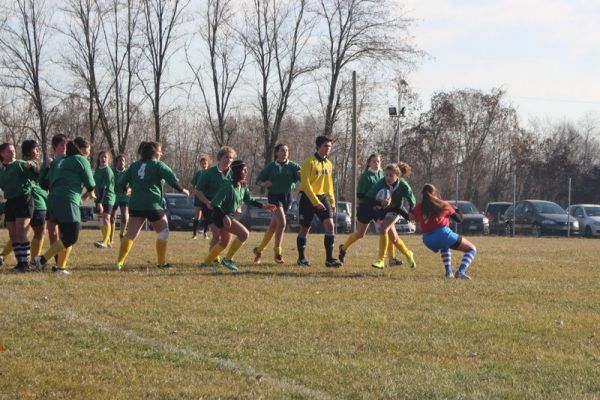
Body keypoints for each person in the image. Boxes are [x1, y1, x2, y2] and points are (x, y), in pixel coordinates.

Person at [115, 141, 189, 270]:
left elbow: (120, 184)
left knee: (130, 234)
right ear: (154, 152)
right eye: (160, 150)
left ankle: (119, 263)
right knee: (164, 231)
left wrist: (126, 190)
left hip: (136, 204)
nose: (161, 153)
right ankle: (161, 263)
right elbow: (172, 179)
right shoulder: (158, 165)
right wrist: (183, 190)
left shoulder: (134, 165)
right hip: (153, 205)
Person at [34, 137, 96, 274]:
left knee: (64, 237)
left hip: (53, 200)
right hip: (67, 200)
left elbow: (44, 184)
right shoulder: (80, 160)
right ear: (79, 149)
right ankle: (42, 259)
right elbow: (91, 184)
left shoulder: (58, 162)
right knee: (71, 236)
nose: (88, 152)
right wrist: (90, 193)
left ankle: (60, 267)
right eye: (86, 149)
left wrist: (45, 167)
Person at [201, 160, 276, 271]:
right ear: (237, 171)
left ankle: (206, 264)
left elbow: (248, 199)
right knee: (244, 234)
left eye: (246, 169)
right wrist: (224, 216)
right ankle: (228, 260)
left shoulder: (243, 185)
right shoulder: (228, 185)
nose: (246, 171)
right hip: (219, 215)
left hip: (228, 216)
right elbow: (214, 204)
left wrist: (263, 206)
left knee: (224, 242)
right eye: (244, 169)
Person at [411, 183, 477, 280]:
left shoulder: (419, 207)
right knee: (472, 249)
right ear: (435, 193)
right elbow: (459, 219)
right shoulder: (443, 204)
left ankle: (449, 272)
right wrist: (455, 208)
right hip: (442, 234)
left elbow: (412, 217)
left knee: (444, 246)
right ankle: (461, 271)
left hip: (427, 239)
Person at [296, 135, 342, 268]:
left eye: (330, 147)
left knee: (330, 226)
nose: (328, 149)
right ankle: (301, 258)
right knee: (305, 228)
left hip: (323, 198)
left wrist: (332, 202)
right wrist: (315, 202)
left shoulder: (329, 164)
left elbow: (329, 185)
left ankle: (329, 259)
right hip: (308, 198)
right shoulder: (308, 162)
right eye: (325, 146)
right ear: (318, 147)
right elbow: (306, 185)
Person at [253, 143, 301, 264]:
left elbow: (303, 176)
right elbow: (258, 180)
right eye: (282, 150)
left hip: (287, 197)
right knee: (282, 223)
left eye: (287, 150)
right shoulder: (270, 167)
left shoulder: (293, 166)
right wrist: (264, 184)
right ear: (276, 153)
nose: (285, 152)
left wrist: (300, 178)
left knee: (274, 226)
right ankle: (277, 253)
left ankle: (258, 250)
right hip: (274, 197)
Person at [371, 162, 417, 269]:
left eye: (391, 175)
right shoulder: (381, 183)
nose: (388, 177)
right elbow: (370, 197)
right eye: (386, 175)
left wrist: (411, 212)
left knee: (383, 229)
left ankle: (381, 260)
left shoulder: (403, 185)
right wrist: (379, 204)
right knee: (394, 239)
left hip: (395, 210)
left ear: (397, 175)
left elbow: (412, 201)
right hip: (384, 211)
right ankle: (408, 253)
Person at [0, 143, 37, 272]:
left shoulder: (20, 163)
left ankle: (25, 264)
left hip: (23, 199)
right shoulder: (2, 169)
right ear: (2, 154)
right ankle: (20, 262)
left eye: (13, 151)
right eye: (9, 151)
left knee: (21, 232)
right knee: (13, 234)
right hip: (10, 202)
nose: (13, 153)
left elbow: (34, 174)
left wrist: (32, 166)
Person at [195, 146, 235, 263]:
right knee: (216, 234)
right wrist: (207, 202)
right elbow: (198, 191)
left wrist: (237, 205)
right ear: (219, 158)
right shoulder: (209, 173)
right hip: (210, 206)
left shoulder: (233, 174)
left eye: (231, 158)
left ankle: (218, 257)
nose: (228, 160)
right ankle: (213, 259)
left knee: (226, 237)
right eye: (226, 157)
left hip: (225, 208)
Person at [39, 134, 68, 267]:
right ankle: (57, 261)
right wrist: (46, 167)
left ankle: (61, 263)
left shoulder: (69, 161)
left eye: (66, 144)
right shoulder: (49, 163)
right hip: (52, 201)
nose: (65, 147)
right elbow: (43, 184)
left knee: (63, 234)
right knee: (52, 232)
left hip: (65, 201)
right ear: (55, 147)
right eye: (62, 144)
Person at [22, 140, 48, 260]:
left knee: (22, 233)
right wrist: (33, 165)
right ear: (28, 151)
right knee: (40, 231)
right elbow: (33, 167)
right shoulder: (30, 163)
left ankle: (3, 256)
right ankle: (34, 260)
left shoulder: (35, 163)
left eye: (38, 148)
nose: (38, 151)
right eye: (35, 148)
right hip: (36, 202)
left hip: (34, 200)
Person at [93, 151, 116, 249]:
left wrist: (100, 202)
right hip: (99, 198)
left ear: (108, 159)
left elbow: (104, 188)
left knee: (106, 219)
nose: (103, 159)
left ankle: (105, 242)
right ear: (99, 158)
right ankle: (108, 241)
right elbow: (95, 185)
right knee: (101, 220)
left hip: (107, 198)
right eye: (102, 157)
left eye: (105, 157)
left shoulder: (107, 171)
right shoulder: (97, 170)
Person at [110, 154, 129, 245]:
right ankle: (110, 238)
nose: (121, 162)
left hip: (124, 196)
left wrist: (129, 189)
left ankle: (121, 234)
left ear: (125, 163)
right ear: (116, 162)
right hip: (113, 195)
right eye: (119, 160)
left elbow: (131, 184)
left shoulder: (128, 172)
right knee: (111, 217)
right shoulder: (111, 171)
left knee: (125, 217)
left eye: (123, 161)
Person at [190, 155, 211, 239]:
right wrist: (193, 191)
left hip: (207, 197)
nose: (204, 165)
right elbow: (193, 184)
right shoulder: (198, 174)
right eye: (202, 163)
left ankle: (205, 233)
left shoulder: (210, 173)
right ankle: (194, 234)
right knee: (197, 215)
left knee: (206, 216)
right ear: (200, 164)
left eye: (205, 163)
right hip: (199, 197)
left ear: (208, 164)